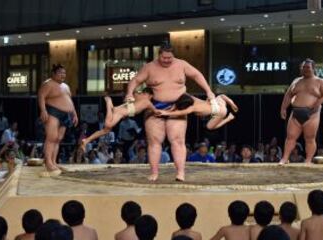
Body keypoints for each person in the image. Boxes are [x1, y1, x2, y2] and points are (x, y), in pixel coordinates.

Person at [125, 43, 215, 181]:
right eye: (164, 58)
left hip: (178, 106)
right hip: (155, 107)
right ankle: (154, 173)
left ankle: (180, 173)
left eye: (170, 58)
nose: (167, 60)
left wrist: (208, 91)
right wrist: (129, 93)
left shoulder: (182, 64)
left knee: (178, 140)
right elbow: (136, 80)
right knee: (154, 141)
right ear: (159, 55)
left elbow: (197, 75)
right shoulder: (149, 67)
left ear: (174, 56)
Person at [279, 59, 323, 164]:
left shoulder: (319, 81)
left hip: (312, 114)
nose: (305, 69)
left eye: (308, 67)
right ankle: (285, 158)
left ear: (313, 68)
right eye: (303, 67)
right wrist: (283, 108)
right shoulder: (296, 81)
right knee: (290, 137)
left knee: (310, 138)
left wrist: (319, 101)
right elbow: (288, 95)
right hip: (295, 113)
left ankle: (308, 160)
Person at [81, 91, 156, 152]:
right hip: (120, 112)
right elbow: (156, 111)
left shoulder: (142, 100)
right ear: (149, 94)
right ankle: (109, 101)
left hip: (121, 111)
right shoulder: (145, 100)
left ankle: (86, 141)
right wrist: (167, 112)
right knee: (107, 126)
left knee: (106, 130)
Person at [38, 64, 78, 176]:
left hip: (66, 114)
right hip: (53, 112)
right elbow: (41, 96)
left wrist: (74, 114)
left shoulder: (66, 86)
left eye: (64, 73)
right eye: (60, 73)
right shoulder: (48, 84)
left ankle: (54, 161)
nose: (63, 75)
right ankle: (48, 162)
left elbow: (69, 100)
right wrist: (43, 110)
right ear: (54, 74)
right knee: (52, 137)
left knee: (58, 139)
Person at [156, 93, 238, 130]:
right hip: (218, 103)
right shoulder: (193, 98)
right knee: (221, 96)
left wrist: (167, 113)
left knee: (209, 127)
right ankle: (232, 103)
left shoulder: (192, 108)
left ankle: (229, 118)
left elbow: (180, 113)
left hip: (220, 111)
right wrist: (170, 110)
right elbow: (181, 98)